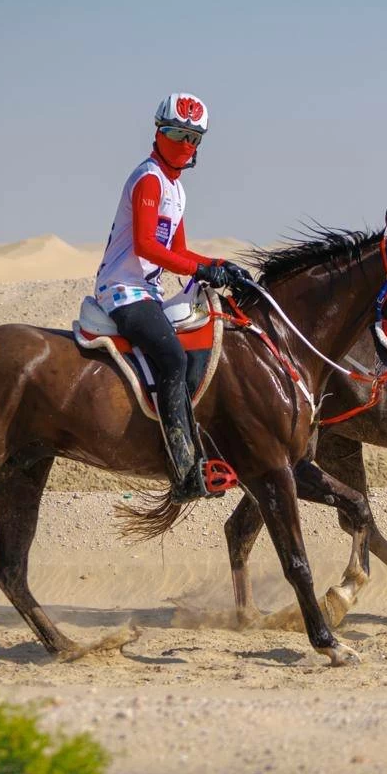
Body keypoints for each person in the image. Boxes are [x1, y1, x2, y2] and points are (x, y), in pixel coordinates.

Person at [94, 92, 251, 501]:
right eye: (177, 134)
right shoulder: (149, 178)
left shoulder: (176, 191)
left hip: (148, 291)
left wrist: (219, 264)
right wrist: (200, 269)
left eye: (194, 138)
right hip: (123, 292)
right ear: (159, 131)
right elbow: (147, 246)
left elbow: (179, 253)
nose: (185, 144)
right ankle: (183, 469)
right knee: (172, 358)